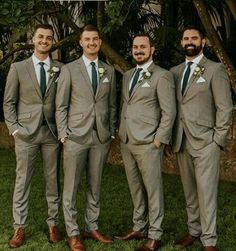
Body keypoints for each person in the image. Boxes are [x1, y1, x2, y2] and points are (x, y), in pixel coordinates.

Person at [169, 25, 232, 251]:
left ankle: (209, 240)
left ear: (203, 42)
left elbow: (224, 108)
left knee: (206, 193)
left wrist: (218, 140)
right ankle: (194, 230)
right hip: (181, 140)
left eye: (194, 38)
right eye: (186, 38)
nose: (189, 41)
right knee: (190, 191)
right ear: (181, 42)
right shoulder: (174, 72)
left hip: (206, 142)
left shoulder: (215, 70)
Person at [55, 24, 116, 251]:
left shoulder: (108, 71)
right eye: (87, 39)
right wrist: (63, 134)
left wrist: (110, 131)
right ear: (80, 42)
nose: (91, 43)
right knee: (71, 187)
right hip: (75, 137)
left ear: (100, 42)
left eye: (95, 39)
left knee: (95, 185)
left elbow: (111, 105)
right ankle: (73, 233)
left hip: (100, 137)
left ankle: (92, 226)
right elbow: (60, 105)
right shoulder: (69, 70)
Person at [3, 23, 63, 248]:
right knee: (22, 181)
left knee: (52, 180)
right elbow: (8, 102)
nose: (44, 41)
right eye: (41, 37)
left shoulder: (60, 68)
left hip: (51, 132)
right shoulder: (18, 68)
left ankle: (52, 224)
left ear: (52, 41)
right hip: (26, 133)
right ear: (34, 38)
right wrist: (15, 129)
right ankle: (19, 227)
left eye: (49, 38)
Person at [116, 33, 176, 251]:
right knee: (135, 188)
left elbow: (169, 112)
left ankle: (155, 234)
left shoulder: (162, 76)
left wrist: (159, 139)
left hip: (149, 142)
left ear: (152, 50)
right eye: (135, 47)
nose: (138, 50)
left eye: (143, 46)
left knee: (153, 189)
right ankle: (139, 226)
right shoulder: (128, 74)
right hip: (127, 140)